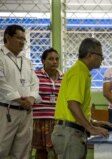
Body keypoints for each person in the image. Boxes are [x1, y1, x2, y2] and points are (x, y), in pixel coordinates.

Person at [51, 38, 109, 159]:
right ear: (89, 55)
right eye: (101, 56)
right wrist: (91, 128)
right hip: (69, 133)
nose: (102, 59)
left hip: (73, 131)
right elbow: (72, 104)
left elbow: (78, 106)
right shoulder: (79, 72)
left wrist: (93, 122)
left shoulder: (82, 71)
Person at [0, 24, 40, 158]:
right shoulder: (1, 57)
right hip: (7, 110)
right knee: (2, 149)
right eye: (19, 38)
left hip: (26, 112)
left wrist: (31, 98)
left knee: (23, 151)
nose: (22, 42)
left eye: (24, 39)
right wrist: (19, 99)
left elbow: (35, 82)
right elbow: (1, 82)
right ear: (7, 37)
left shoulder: (26, 61)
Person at [32, 48, 63, 159]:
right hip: (40, 119)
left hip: (58, 120)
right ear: (43, 61)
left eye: (56, 59)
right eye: (50, 59)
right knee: (41, 152)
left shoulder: (64, 77)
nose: (54, 62)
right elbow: (31, 94)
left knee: (57, 151)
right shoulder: (35, 75)